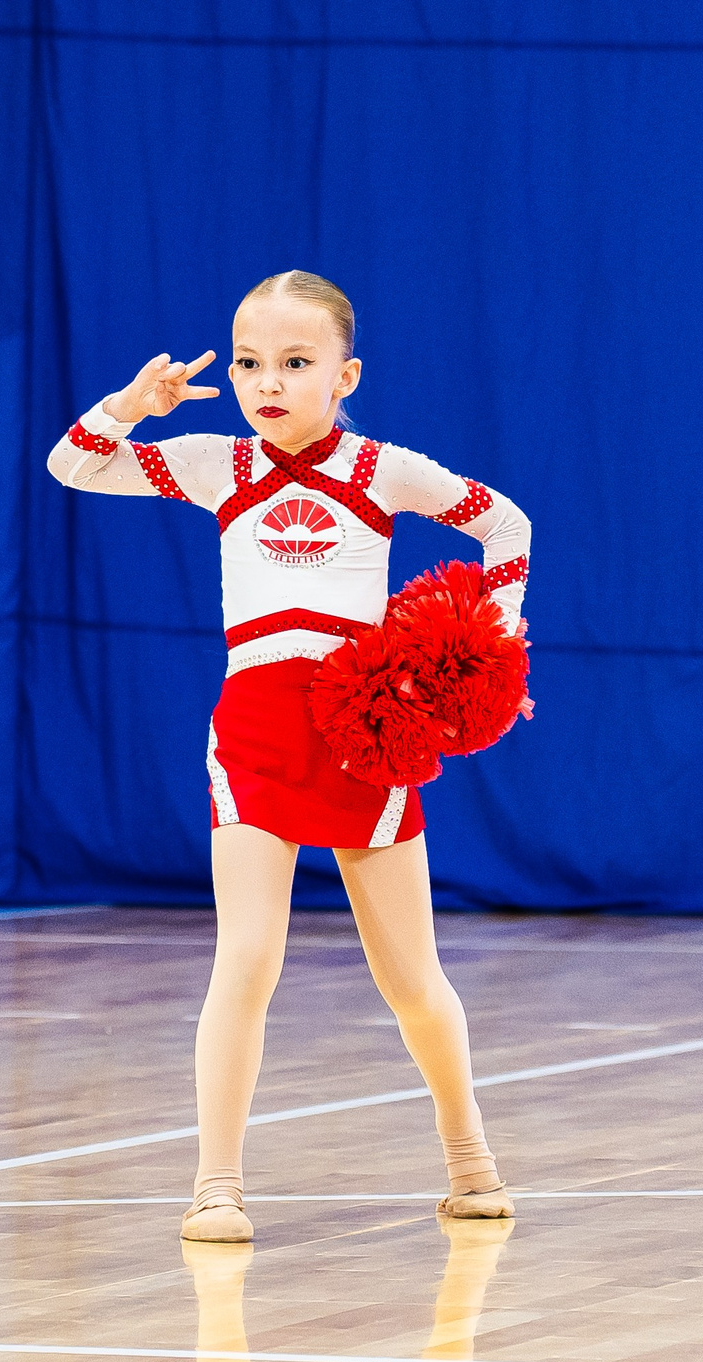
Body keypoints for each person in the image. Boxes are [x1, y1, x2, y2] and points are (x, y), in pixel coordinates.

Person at [47, 270, 530, 1240]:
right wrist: (131, 408)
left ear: (346, 374)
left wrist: (487, 644)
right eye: (249, 362)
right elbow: (75, 466)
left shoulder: (384, 471)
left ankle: (469, 1156)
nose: (268, 382)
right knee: (249, 958)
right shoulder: (215, 464)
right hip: (257, 732)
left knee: (411, 981)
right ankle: (216, 1182)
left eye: (296, 363)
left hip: (366, 731)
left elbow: (502, 524)